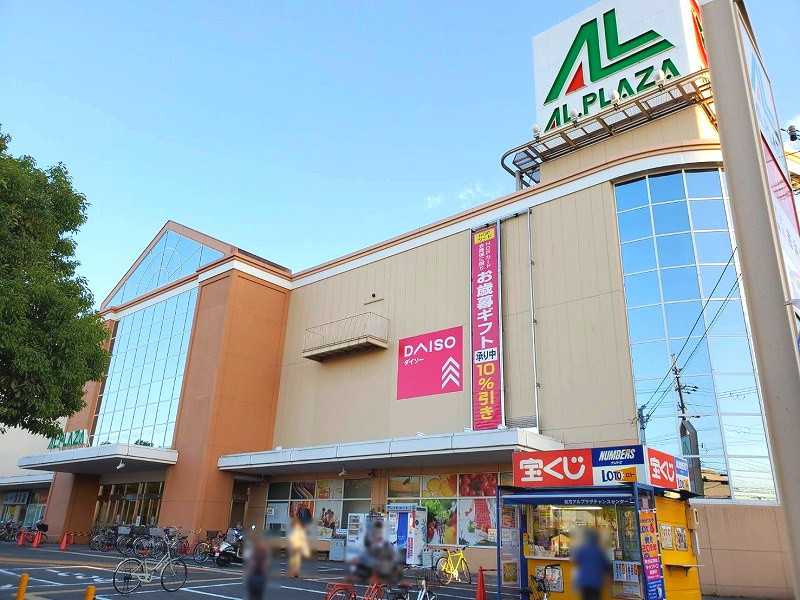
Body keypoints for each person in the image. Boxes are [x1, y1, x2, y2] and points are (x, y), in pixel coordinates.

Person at [571, 529, 611, 600]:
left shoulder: (582, 549)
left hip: (584, 581)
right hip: (596, 581)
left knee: (586, 597)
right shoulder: (599, 550)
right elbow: (606, 565)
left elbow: (575, 560)